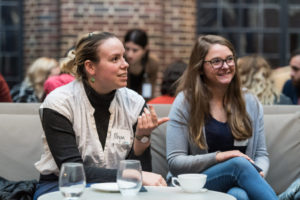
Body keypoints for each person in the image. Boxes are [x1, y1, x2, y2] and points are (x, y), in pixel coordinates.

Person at [33, 32, 168, 199]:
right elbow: (72, 170)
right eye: (115, 59)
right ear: (90, 67)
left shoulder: (135, 103)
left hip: (118, 188)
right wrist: (131, 175)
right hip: (61, 186)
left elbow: (143, 175)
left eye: (123, 57)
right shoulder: (59, 103)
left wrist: (142, 138)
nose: (125, 64)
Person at [166, 35, 278, 200]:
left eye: (229, 59)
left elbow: (261, 154)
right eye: (216, 61)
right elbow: (175, 162)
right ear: (200, 67)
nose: (225, 66)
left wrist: (257, 174)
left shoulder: (250, 102)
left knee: (238, 195)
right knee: (238, 164)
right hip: (195, 185)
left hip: (238, 183)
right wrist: (220, 156)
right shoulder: (185, 102)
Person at [124, 29, 159, 99]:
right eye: (127, 49)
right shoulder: (121, 60)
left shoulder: (152, 63)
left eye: (135, 50)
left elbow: (149, 93)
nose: (130, 55)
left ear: (145, 50)